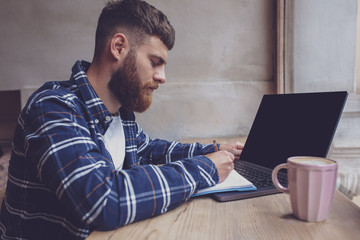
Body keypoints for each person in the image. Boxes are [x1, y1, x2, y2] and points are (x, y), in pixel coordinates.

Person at [0, 0, 243, 239]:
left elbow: (148, 149)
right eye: (155, 62)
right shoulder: (53, 107)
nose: (162, 77)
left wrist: (212, 150)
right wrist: (206, 168)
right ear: (118, 47)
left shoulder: (119, 111)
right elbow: (102, 200)